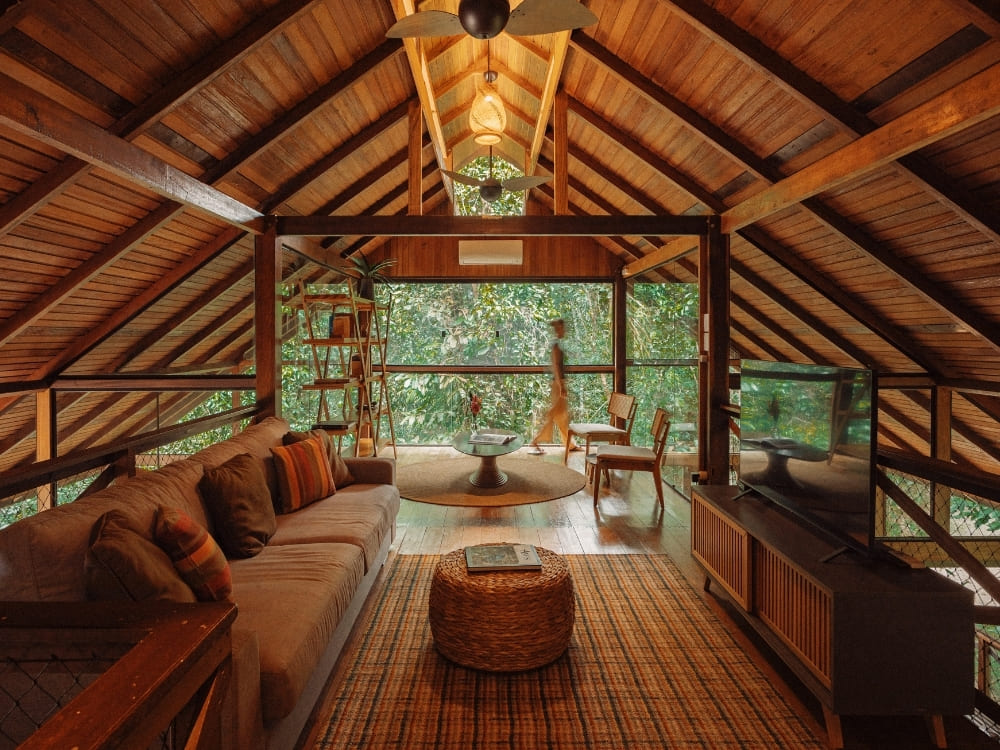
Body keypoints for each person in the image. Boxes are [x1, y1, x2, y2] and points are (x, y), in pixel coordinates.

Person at [529, 318, 580, 454]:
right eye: (562, 328)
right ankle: (535, 440)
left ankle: (570, 445)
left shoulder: (557, 345)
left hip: (558, 383)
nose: (564, 330)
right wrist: (561, 386)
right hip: (558, 384)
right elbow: (557, 368)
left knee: (561, 416)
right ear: (558, 329)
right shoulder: (556, 346)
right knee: (554, 414)